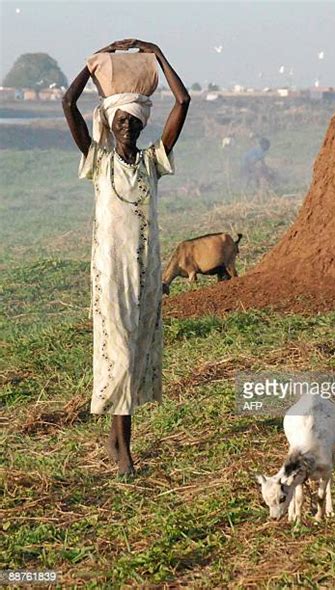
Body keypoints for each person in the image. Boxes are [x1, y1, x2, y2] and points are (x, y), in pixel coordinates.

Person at [62, 39, 190, 477]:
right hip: (110, 271)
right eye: (121, 120)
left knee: (134, 354)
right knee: (117, 349)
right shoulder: (98, 160)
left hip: (146, 272)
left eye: (135, 122)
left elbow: (183, 101)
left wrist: (158, 55)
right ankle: (124, 452)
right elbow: (68, 102)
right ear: (110, 121)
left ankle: (117, 441)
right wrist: (94, 59)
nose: (128, 128)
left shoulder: (153, 161)